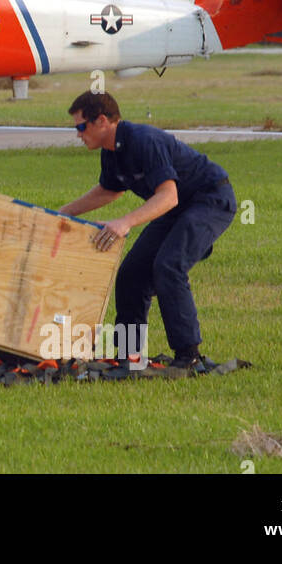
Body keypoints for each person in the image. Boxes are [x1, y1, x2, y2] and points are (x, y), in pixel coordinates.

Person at [57, 91, 235, 368]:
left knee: (169, 265)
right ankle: (129, 355)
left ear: (101, 121)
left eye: (81, 126)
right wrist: (64, 213)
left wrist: (124, 222)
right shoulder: (111, 151)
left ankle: (189, 356)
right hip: (175, 207)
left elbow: (168, 196)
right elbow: (109, 190)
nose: (78, 134)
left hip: (209, 199)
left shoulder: (143, 140)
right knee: (131, 274)